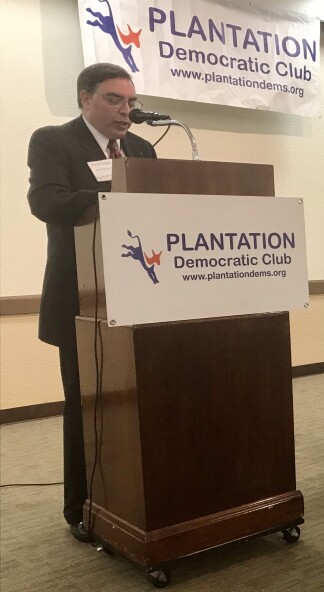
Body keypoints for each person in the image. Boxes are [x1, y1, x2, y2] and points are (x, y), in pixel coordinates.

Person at [27, 63, 157, 542]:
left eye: (130, 102)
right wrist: (113, 195)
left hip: (142, 293)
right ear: (85, 99)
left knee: (140, 402)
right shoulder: (54, 141)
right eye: (114, 100)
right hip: (81, 296)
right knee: (87, 402)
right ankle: (81, 507)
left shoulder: (142, 148)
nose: (126, 111)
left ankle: (135, 495)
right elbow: (46, 201)